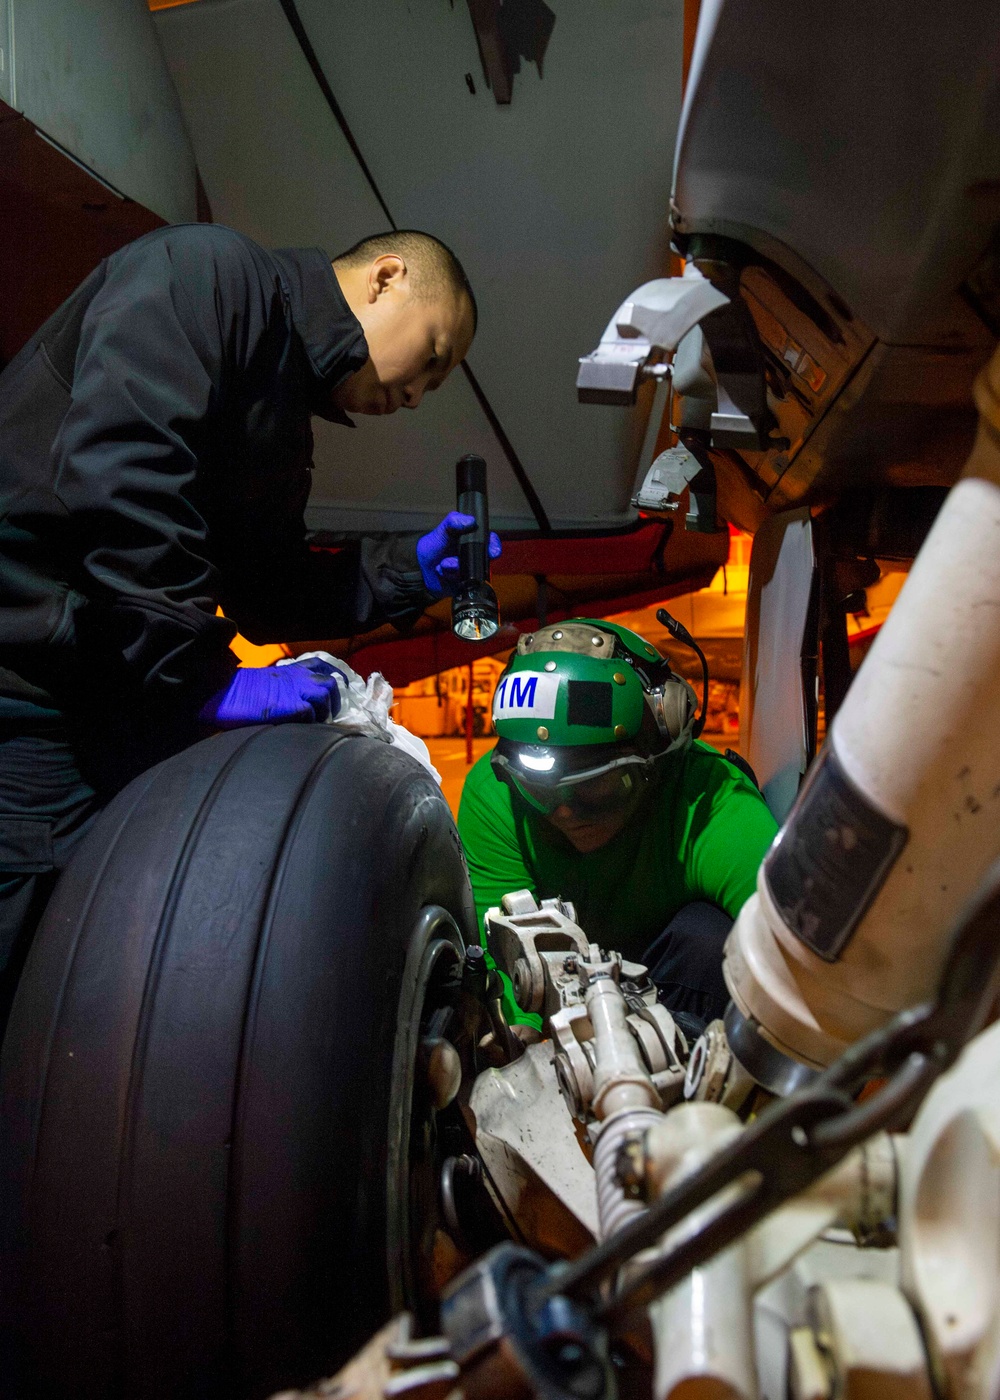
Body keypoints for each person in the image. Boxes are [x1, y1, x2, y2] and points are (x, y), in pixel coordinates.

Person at [0, 222, 497, 996]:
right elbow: (121, 477)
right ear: (386, 278)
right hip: (21, 694)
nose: (414, 397)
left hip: (94, 704)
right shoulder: (206, 277)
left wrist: (410, 570)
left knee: (81, 985)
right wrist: (202, 681)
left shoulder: (281, 414)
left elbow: (268, 588)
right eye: (430, 360)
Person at [457, 618, 778, 1039]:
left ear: (656, 763)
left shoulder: (709, 798)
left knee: (707, 940)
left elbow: (807, 957)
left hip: (681, 987)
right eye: (538, 788)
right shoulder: (496, 794)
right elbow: (512, 968)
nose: (566, 812)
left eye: (597, 785)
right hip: (562, 995)